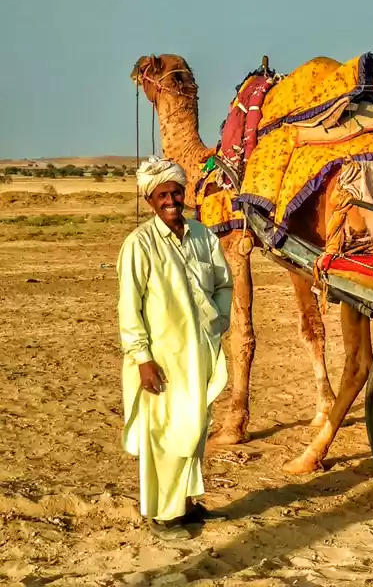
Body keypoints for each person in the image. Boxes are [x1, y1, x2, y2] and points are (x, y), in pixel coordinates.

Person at [116, 156, 233, 541]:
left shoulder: (203, 236)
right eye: (162, 194)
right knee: (167, 434)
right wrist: (142, 359)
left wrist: (217, 323)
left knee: (195, 429)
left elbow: (223, 284)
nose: (170, 200)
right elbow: (128, 307)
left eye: (175, 192)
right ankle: (165, 515)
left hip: (200, 353)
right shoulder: (139, 244)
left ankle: (185, 504)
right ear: (150, 199)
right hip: (161, 360)